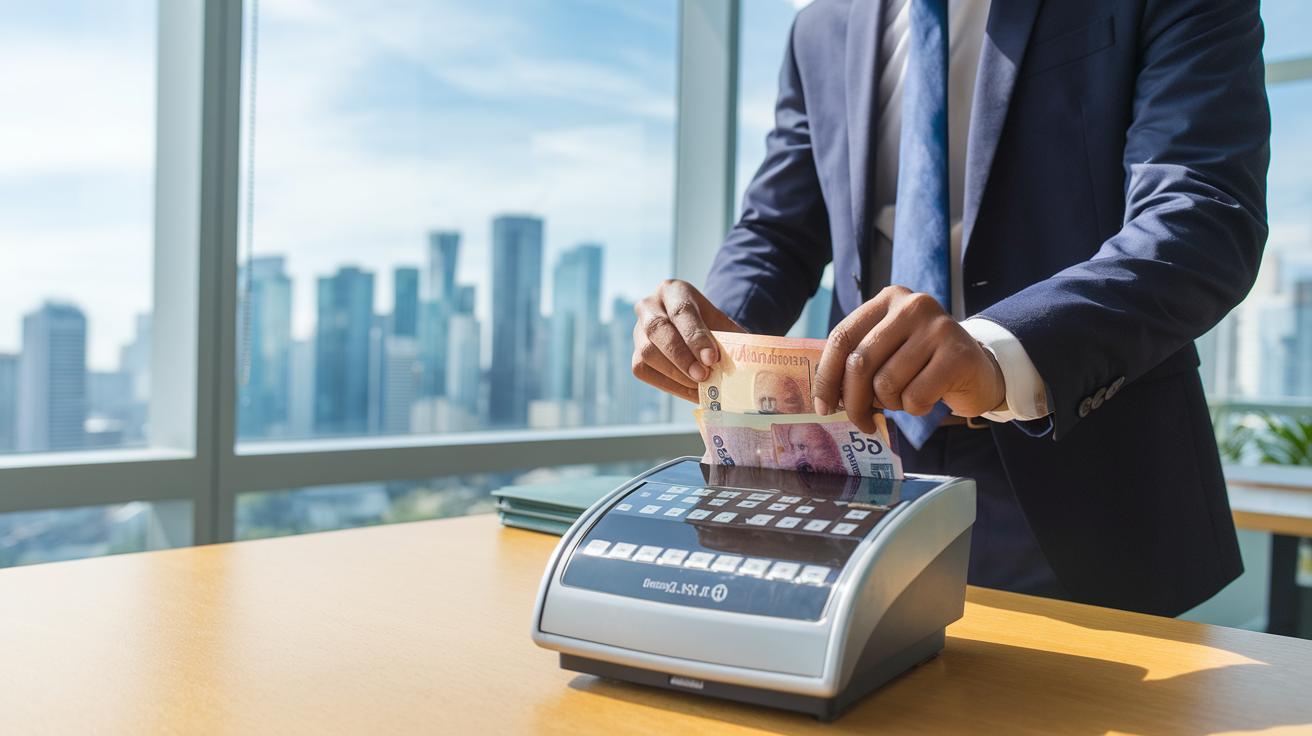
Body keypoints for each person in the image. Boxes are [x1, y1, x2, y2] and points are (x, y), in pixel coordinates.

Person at [632, 0, 1269, 616]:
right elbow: (778, 231)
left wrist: (995, 350)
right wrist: (715, 338)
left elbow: (1202, 217)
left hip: (1090, 472)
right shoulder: (819, 28)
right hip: (859, 467)